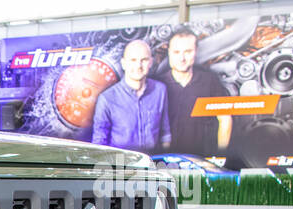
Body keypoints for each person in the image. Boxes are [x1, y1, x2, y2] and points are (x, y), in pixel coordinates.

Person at [91, 39, 170, 153]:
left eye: (144, 60)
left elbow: (165, 134)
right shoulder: (107, 99)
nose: (138, 66)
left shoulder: (160, 90)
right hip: (120, 164)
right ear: (123, 63)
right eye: (133, 60)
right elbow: (99, 142)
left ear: (151, 62)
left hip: (153, 163)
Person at [163, 27, 232, 157]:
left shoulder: (210, 81)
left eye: (187, 51)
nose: (182, 58)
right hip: (166, 163)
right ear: (169, 52)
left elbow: (225, 120)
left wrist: (221, 155)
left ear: (196, 51)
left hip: (202, 163)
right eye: (176, 52)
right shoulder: (159, 85)